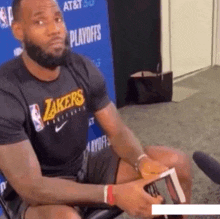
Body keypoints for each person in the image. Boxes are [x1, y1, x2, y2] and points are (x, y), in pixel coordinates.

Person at [0, 0, 192, 218]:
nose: (55, 30)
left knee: (177, 163)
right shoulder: (6, 90)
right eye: (40, 21)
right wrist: (112, 194)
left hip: (83, 166)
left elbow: (117, 131)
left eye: (58, 19)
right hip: (39, 190)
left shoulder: (80, 66)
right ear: (18, 30)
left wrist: (141, 160)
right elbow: (32, 188)